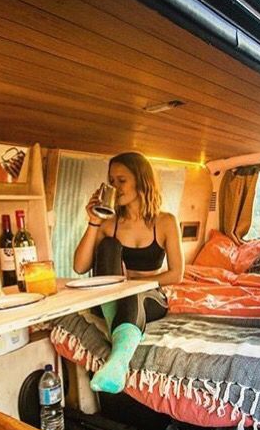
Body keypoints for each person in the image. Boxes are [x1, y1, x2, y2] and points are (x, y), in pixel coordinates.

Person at [73, 152, 184, 394]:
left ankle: (117, 362)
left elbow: (176, 274)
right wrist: (93, 221)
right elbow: (80, 267)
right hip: (111, 297)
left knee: (134, 295)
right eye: (111, 182)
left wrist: (136, 283)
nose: (115, 187)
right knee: (109, 246)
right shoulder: (108, 224)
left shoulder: (165, 222)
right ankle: (119, 355)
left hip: (149, 298)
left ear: (141, 180)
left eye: (121, 180)